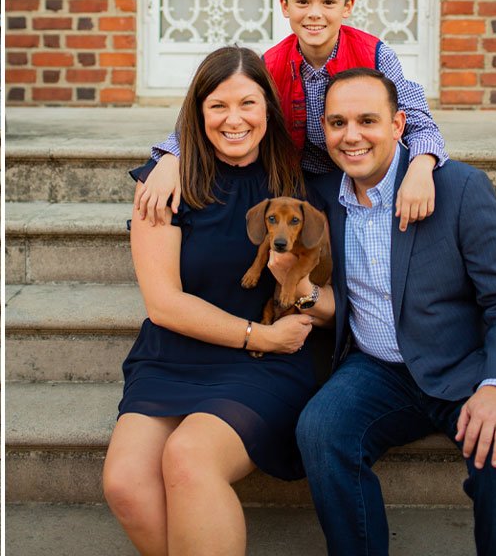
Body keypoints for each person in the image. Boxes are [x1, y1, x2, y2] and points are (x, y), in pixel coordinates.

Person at [293, 68, 496, 556]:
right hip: (376, 369)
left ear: (399, 123)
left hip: (463, 363)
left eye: (368, 120)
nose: (352, 136)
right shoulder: (321, 199)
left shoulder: (459, 188)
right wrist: (168, 159)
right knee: (319, 430)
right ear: (323, 131)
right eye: (338, 122)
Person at [102, 46, 333, 556]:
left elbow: (337, 297)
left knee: (189, 458)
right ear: (197, 113)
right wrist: (168, 160)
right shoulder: (163, 185)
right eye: (218, 107)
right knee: (124, 483)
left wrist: (295, 306)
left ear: (268, 110)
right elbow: (163, 303)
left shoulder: (297, 186)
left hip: (263, 364)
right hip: (175, 354)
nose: (234, 120)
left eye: (248, 104)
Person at [138, 0, 448, 233]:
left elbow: (419, 121)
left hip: (363, 170)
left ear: (347, 7)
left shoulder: (377, 55)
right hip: (296, 178)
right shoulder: (270, 64)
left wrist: (421, 167)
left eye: (328, 2)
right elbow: (210, 112)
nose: (315, 14)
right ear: (285, 6)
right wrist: (169, 160)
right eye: (302, 2)